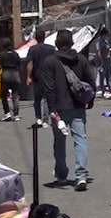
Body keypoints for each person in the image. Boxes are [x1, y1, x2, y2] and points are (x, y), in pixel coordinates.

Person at [39, 30, 96, 191]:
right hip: (78, 106)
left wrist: (51, 108)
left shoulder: (49, 62)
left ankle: (62, 175)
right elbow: (91, 82)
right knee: (80, 140)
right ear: (72, 43)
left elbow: (48, 87)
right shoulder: (82, 60)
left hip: (59, 107)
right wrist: (89, 101)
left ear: (56, 44)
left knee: (59, 142)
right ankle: (81, 176)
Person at [24, 29, 55, 127]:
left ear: (35, 38)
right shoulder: (51, 49)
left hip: (37, 77)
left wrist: (28, 76)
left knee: (37, 99)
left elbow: (30, 63)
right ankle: (46, 120)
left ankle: (38, 119)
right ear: (44, 37)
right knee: (46, 99)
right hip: (49, 77)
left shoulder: (33, 49)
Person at [0, 37, 22, 122]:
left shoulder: (1, 54)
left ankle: (7, 113)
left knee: (3, 94)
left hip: (6, 73)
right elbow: (19, 64)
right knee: (15, 94)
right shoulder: (15, 54)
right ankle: (16, 115)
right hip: (15, 73)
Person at [93, 27, 111, 97]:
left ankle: (110, 89)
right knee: (102, 76)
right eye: (106, 35)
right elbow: (99, 52)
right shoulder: (99, 42)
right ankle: (103, 90)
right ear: (103, 34)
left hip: (107, 60)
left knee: (108, 75)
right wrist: (101, 61)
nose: (107, 36)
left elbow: (106, 49)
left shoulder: (105, 41)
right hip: (102, 61)